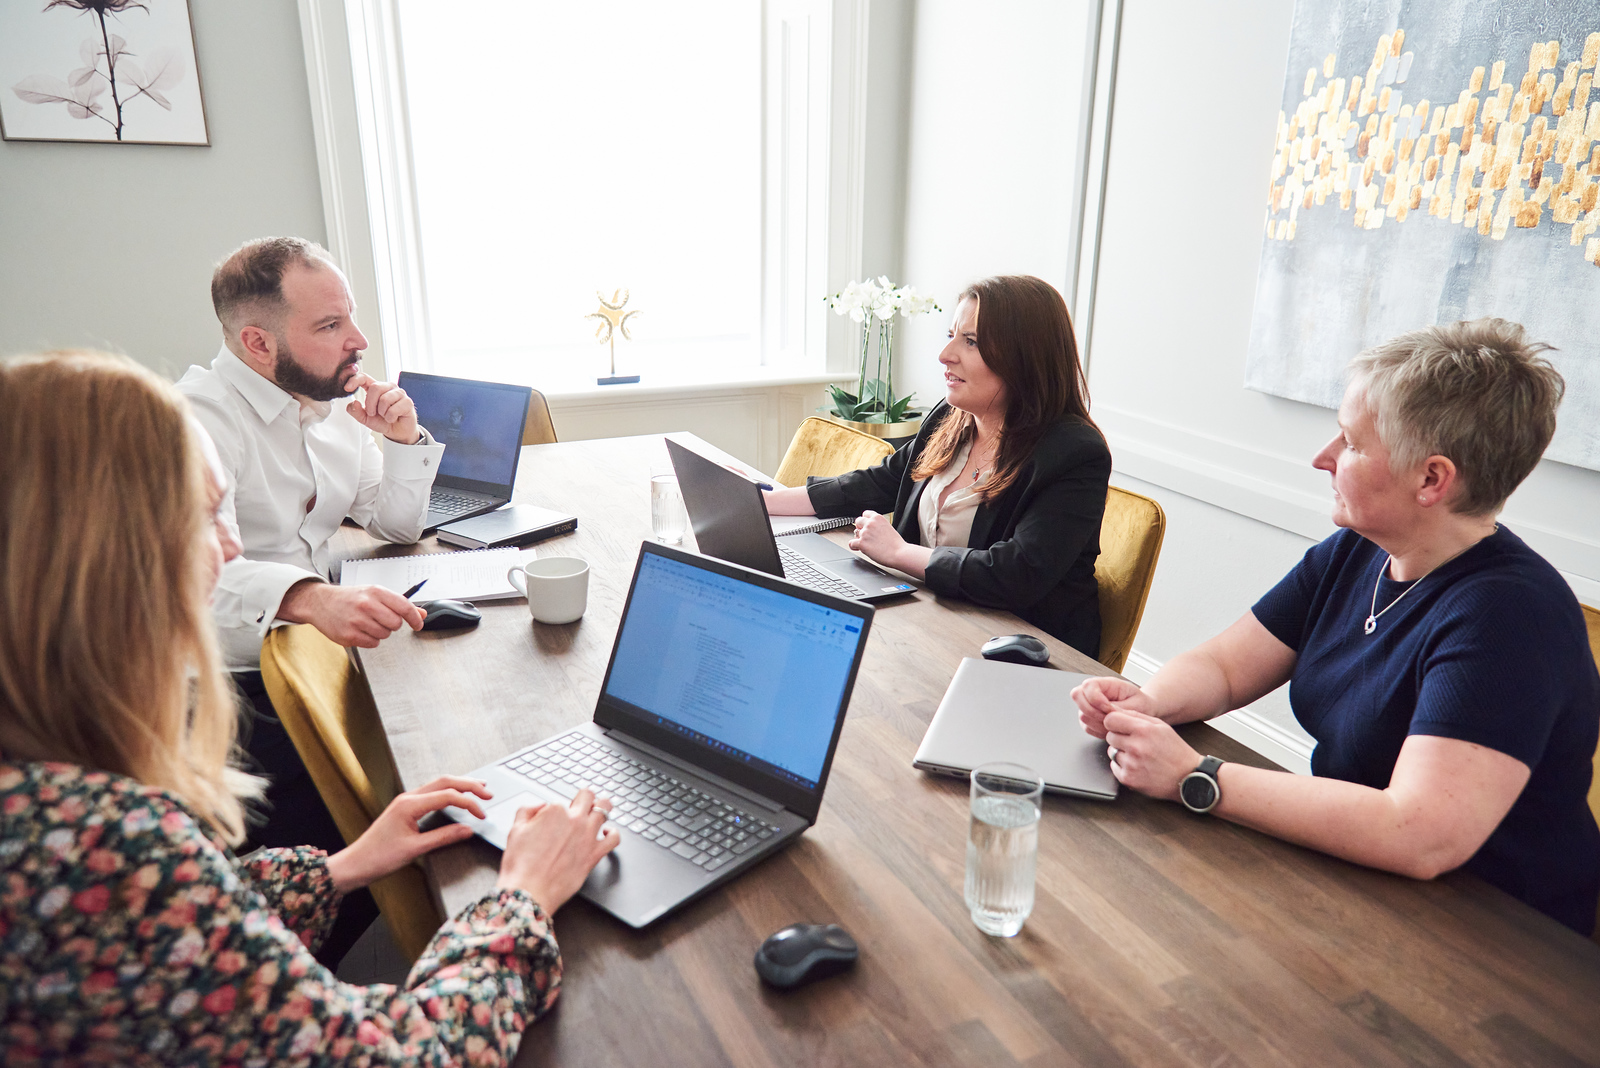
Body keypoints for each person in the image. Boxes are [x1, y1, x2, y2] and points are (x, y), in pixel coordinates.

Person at [0, 351, 620, 1063]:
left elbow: (158, 922)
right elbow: (400, 1057)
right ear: (100, 562)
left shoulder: (55, 813)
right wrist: (523, 897)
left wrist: (343, 866)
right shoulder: (103, 844)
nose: (231, 546)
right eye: (204, 519)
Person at [1071, 319, 1600, 935]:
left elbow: (1419, 834)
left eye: (1350, 443)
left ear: (1432, 479)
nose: (1322, 457)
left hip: (1493, 938)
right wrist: (1146, 705)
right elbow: (1225, 665)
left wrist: (1196, 776)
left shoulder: (1509, 617)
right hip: (1359, 879)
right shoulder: (1359, 551)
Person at [177, 236, 444, 962]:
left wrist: (404, 440)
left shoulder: (330, 406)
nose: (358, 342)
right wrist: (306, 598)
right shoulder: (193, 420)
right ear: (258, 342)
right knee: (378, 790)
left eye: (350, 319)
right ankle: (303, 965)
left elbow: (392, 523)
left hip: (310, 655)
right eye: (329, 327)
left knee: (421, 745)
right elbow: (193, 570)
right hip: (223, 683)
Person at [765, 275, 1112, 655]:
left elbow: (1016, 574)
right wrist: (764, 501)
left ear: (1024, 357)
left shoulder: (1075, 452)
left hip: (1022, 649)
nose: (946, 354)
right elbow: (880, 481)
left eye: (971, 341)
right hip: (929, 623)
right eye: (952, 335)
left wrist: (898, 554)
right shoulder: (954, 416)